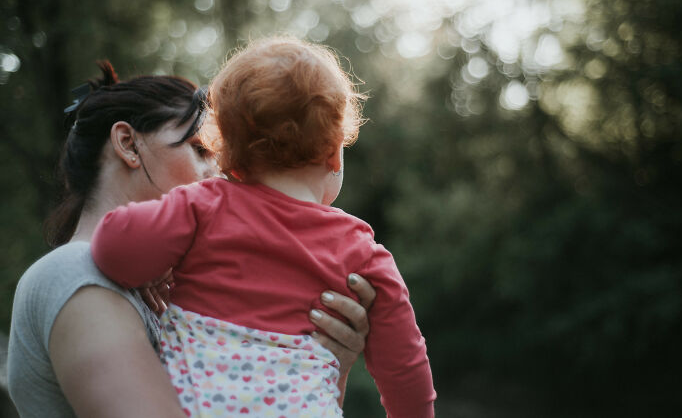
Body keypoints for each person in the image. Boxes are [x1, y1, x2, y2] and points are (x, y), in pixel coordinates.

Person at [7, 61, 376, 418]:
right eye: (200, 151)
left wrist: (331, 360)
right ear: (128, 144)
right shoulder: (76, 273)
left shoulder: (172, 293)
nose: (220, 175)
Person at [92, 37, 436, 417]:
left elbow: (112, 250)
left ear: (230, 159)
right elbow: (405, 370)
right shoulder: (363, 251)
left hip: (199, 406)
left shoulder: (202, 205)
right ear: (334, 152)